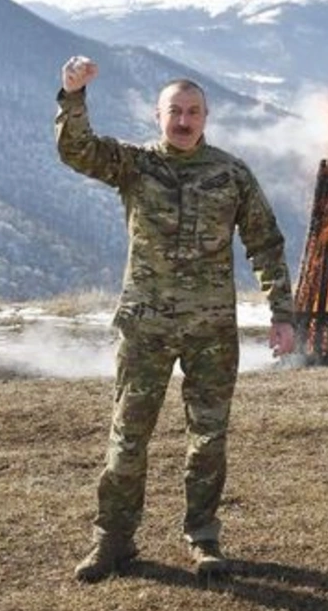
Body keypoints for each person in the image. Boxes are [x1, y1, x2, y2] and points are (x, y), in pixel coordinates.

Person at [55, 55, 296, 582]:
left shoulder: (230, 174)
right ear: (157, 116)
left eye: (193, 111)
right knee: (127, 437)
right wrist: (73, 96)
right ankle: (113, 541)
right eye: (174, 111)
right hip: (146, 327)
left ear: (205, 118)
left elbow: (266, 243)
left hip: (211, 330)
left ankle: (204, 538)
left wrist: (281, 312)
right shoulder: (135, 165)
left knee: (208, 439)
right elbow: (78, 150)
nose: (183, 120)